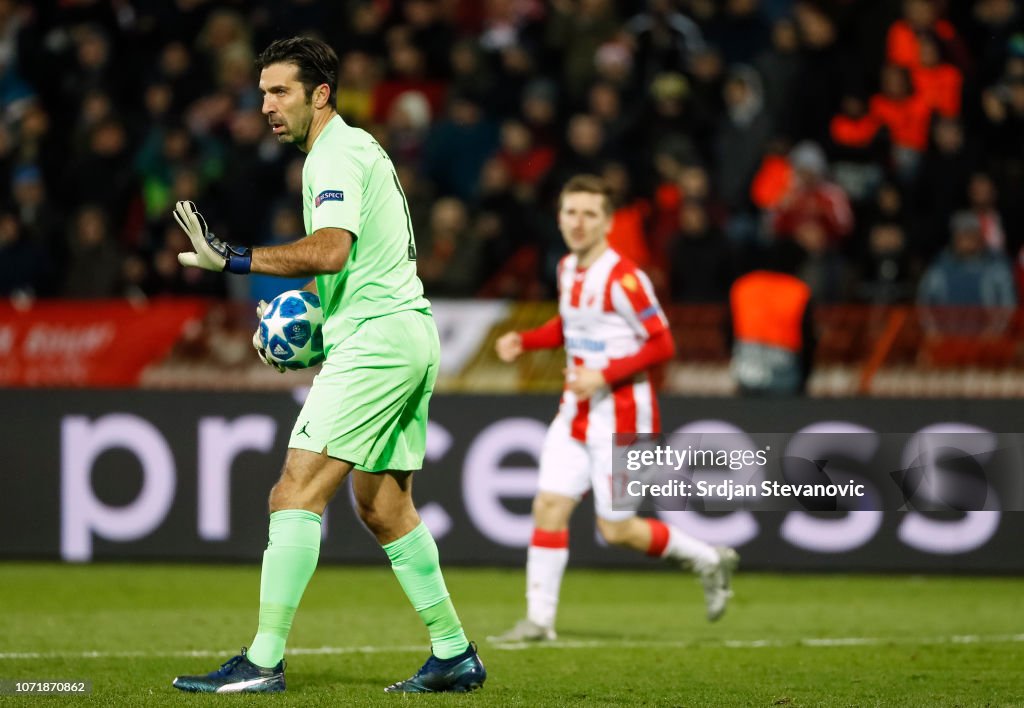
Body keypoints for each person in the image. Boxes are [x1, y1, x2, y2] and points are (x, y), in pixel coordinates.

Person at [169, 37, 485, 694]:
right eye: (261, 94)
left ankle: (261, 662)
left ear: (321, 94)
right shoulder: (361, 148)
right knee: (383, 506)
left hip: (377, 340)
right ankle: (454, 654)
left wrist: (234, 258)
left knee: (294, 492)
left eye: (280, 91)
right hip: (405, 333)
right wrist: (310, 327)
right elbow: (359, 265)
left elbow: (332, 251)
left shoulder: (334, 154)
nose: (266, 107)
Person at [490, 174, 739, 644]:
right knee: (548, 505)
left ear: (607, 222)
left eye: (589, 214)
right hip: (575, 411)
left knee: (617, 529)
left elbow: (663, 342)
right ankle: (539, 621)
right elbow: (569, 325)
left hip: (624, 420)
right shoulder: (566, 269)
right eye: (570, 212)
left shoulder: (625, 278)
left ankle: (709, 559)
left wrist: (605, 374)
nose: (578, 223)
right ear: (559, 217)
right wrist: (524, 340)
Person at [727, 239, 815, 396]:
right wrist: (805, 377)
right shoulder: (798, 290)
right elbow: (808, 337)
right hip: (786, 374)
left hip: (747, 370)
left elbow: (727, 327)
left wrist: (736, 356)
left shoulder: (743, 286)